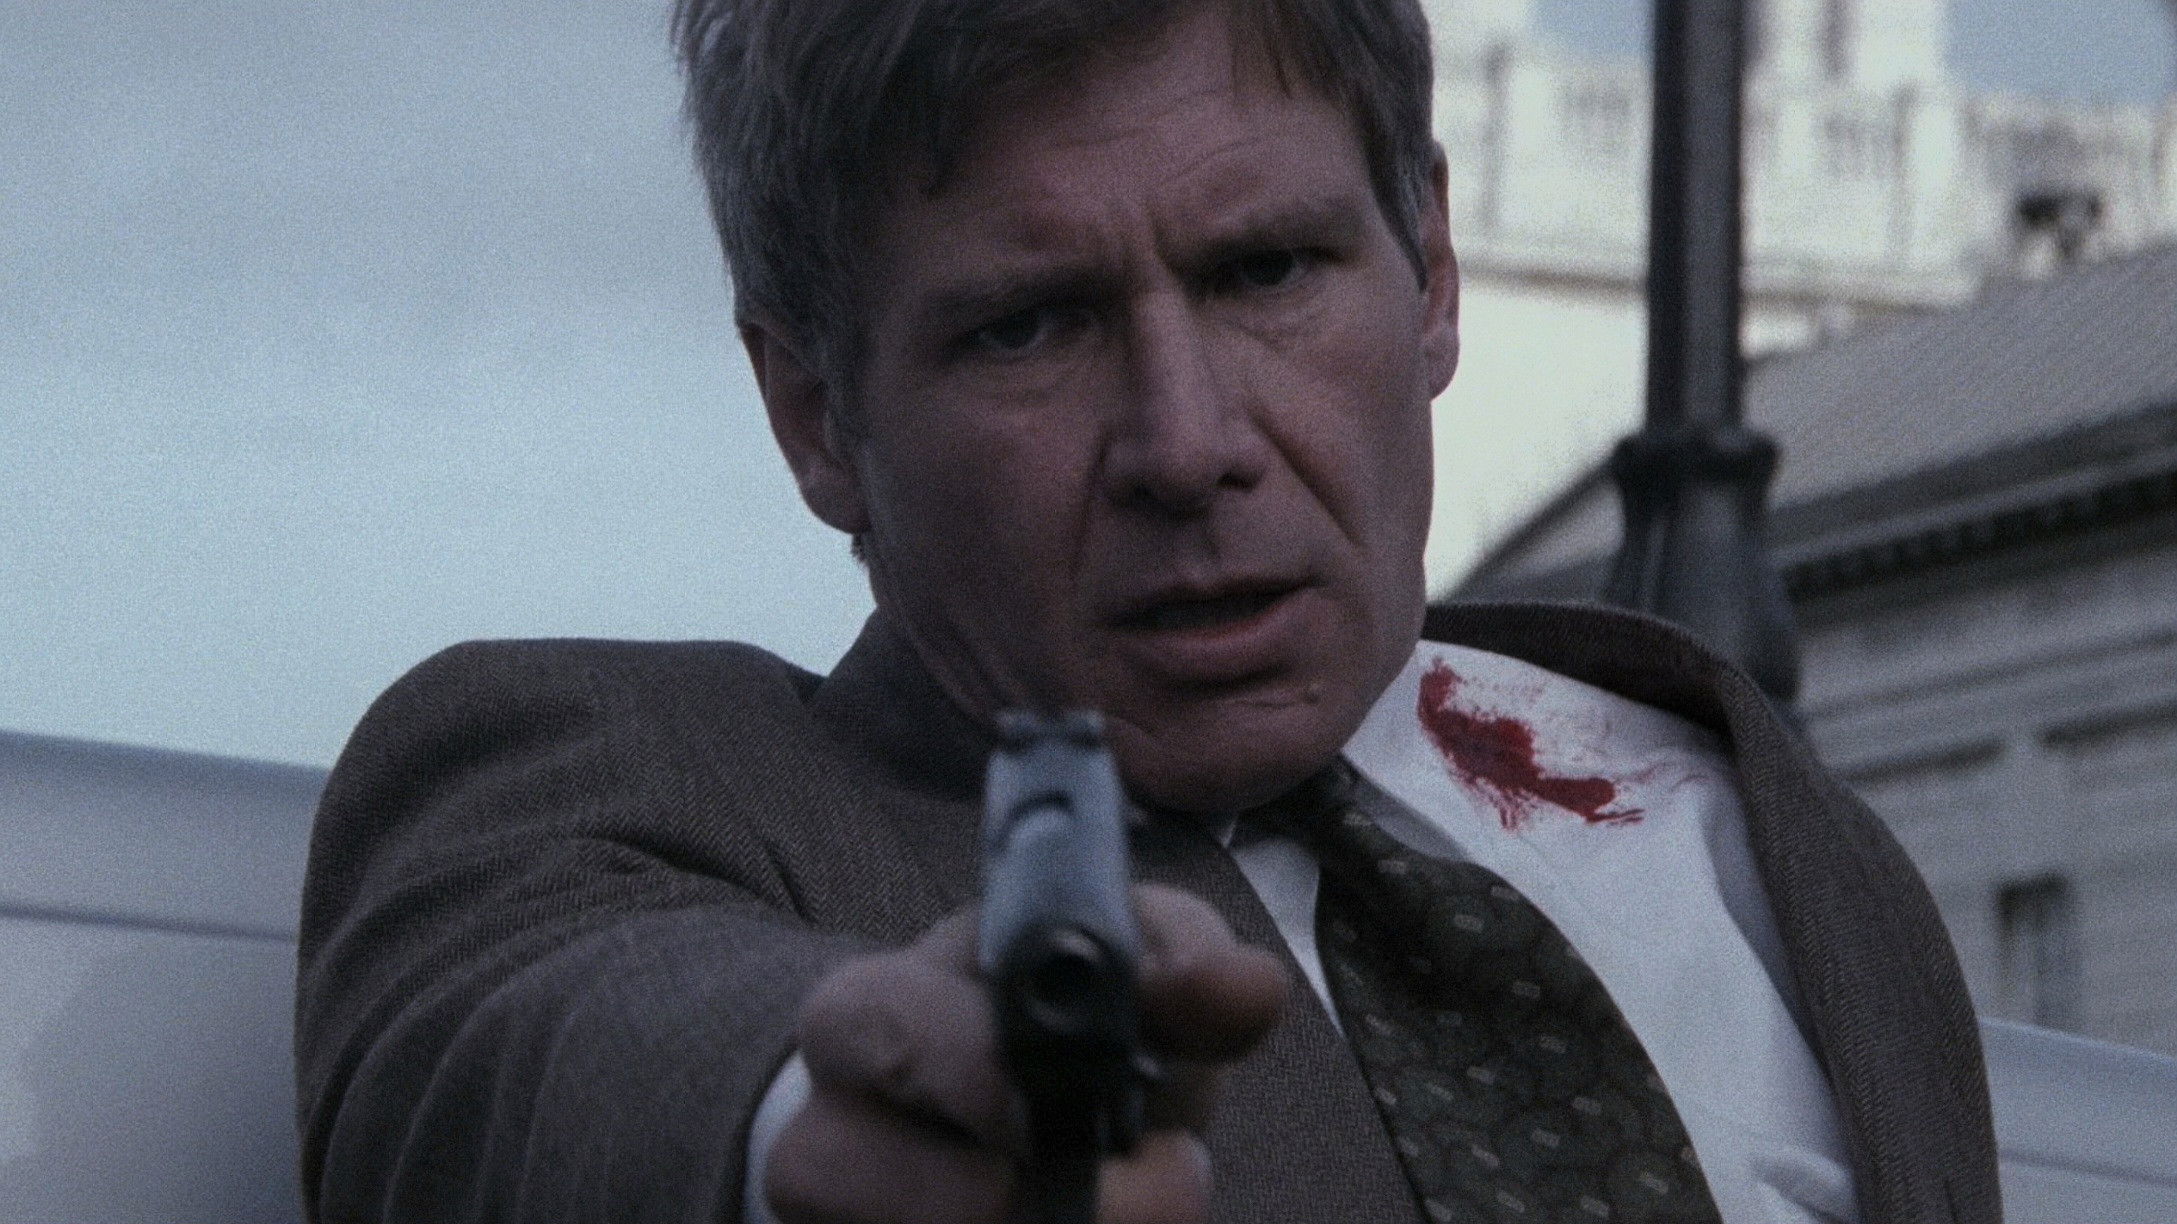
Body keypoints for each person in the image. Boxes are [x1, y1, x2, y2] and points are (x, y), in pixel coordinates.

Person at [292, 1, 2001, 1221]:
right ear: (814, 413)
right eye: (1027, 327)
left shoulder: (1745, 820)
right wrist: (825, 1116)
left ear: (1429, 269)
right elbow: (526, 1049)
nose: (1186, 445)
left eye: (1265, 271)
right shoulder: (636, 793)